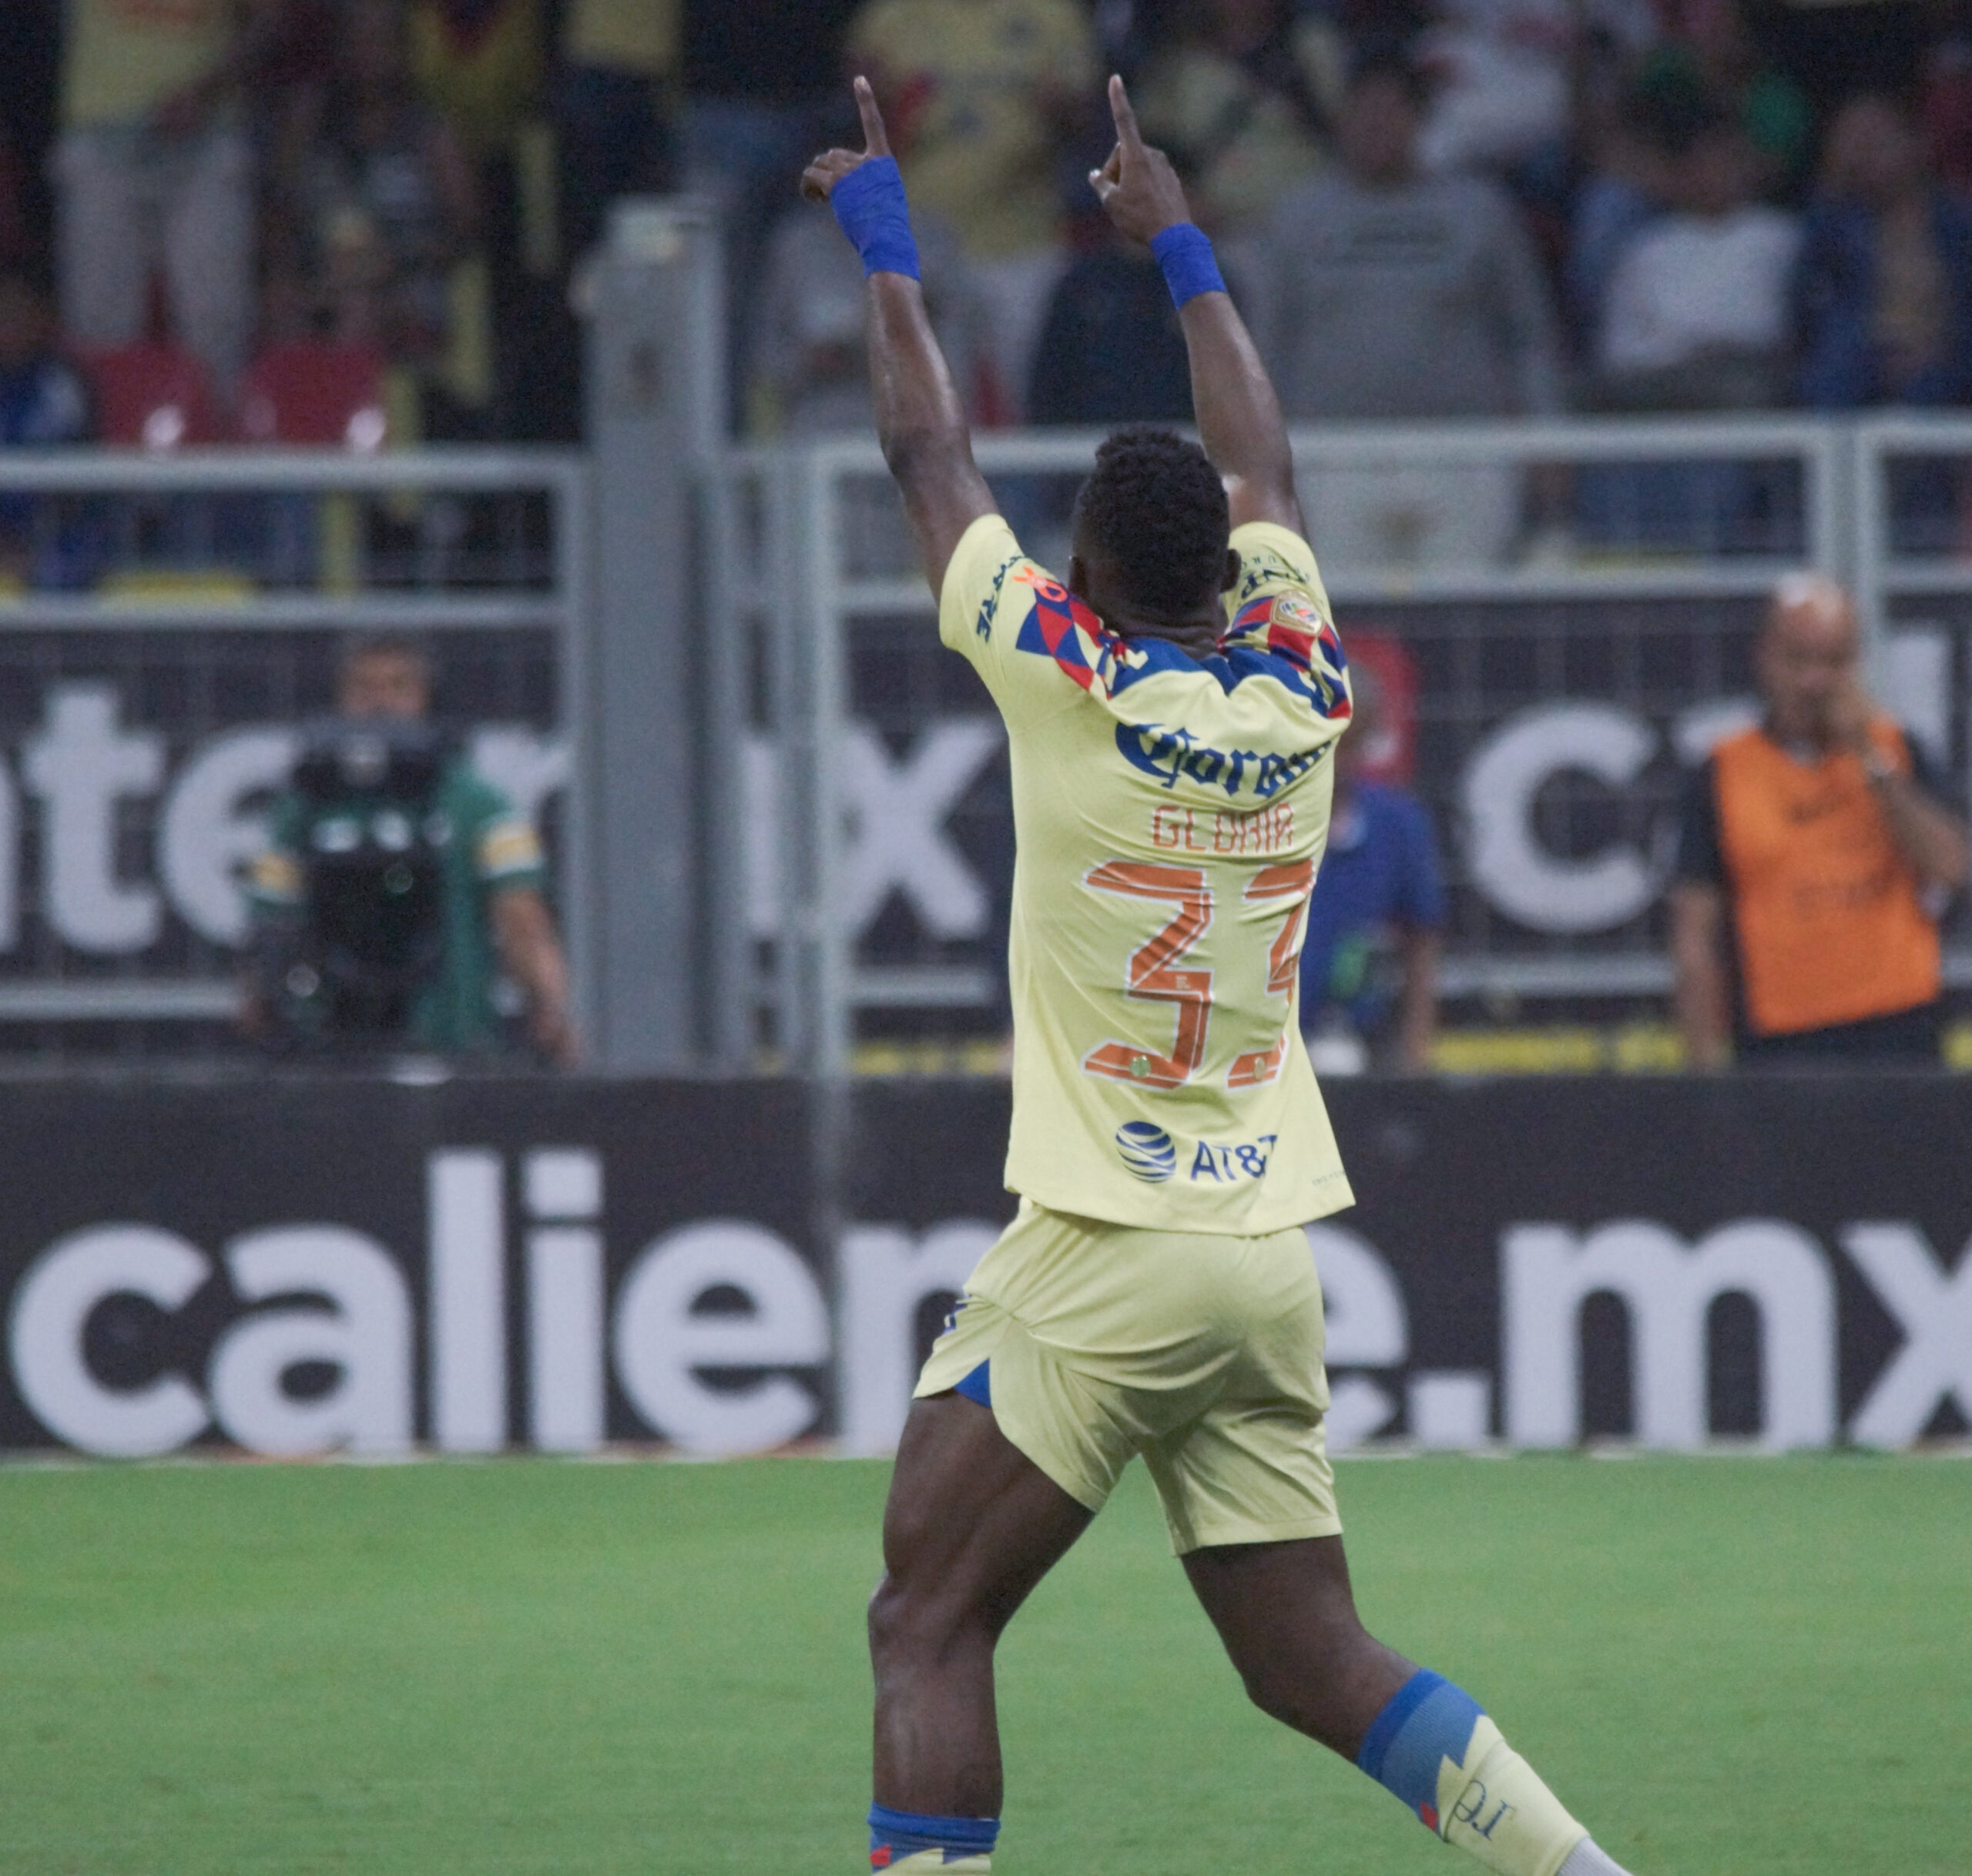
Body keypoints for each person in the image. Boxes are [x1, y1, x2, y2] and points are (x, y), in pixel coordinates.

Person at [802, 72, 1637, 1876]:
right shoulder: (1305, 682)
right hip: (1261, 1253)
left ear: (1084, 569)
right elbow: (1264, 467)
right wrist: (1178, 241)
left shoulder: (1061, 668)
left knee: (922, 1621)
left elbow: (927, 460)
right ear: (1229, 574)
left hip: (1109, 1239)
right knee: (1306, 1659)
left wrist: (883, 241)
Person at [1257, 46, 1563, 568]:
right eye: (1362, 108)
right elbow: (1266, 345)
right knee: (1340, 608)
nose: (1375, 124)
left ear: (1420, 117)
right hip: (1331, 459)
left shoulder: (1480, 214)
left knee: (1465, 602)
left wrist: (1549, 442)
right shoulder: (1295, 219)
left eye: (1391, 108)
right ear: (1341, 119)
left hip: (1465, 455)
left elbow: (1528, 338)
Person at [1671, 574, 1970, 1070]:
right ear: (1765, 657)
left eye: (1834, 661)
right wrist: (1701, 1067)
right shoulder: (1724, 771)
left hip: (1898, 1027)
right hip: (1780, 1037)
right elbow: (1694, 930)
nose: (1815, 681)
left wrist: (1870, 759)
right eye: (1798, 660)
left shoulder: (1897, 750)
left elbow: (1951, 866)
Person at [244, 635, 579, 1065]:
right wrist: (260, 995)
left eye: (399, 686)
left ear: (427, 697)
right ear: (341, 698)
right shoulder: (304, 808)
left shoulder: (475, 804)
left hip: (448, 1037)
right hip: (327, 1044)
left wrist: (547, 1004)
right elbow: (269, 921)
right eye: (364, 687)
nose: (381, 702)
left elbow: (520, 913)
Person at [847, 0, 1099, 417]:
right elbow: (852, 121)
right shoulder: (893, 15)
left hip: (1023, 237)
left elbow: (1087, 121)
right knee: (931, 395)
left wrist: (1062, 107)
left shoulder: (1052, 13)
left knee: (1029, 393)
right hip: (922, 240)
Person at [54, 0, 294, 392]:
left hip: (208, 132)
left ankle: (214, 426)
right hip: (101, 130)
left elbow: (269, 19)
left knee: (216, 319)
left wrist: (207, 89)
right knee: (98, 322)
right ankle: (105, 427)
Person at [1297, 663, 1444, 1073]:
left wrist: (1415, 1052)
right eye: (1325, 744)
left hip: (1355, 1041)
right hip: (1261, 1040)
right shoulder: (1259, 824)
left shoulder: (1397, 824)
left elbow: (1421, 942)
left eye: (1350, 744)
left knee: (1339, 1064)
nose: (1336, 761)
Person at [1796, 92, 1972, 411]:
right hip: (1856, 362)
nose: (1864, 156)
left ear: (1914, 144)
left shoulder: (1956, 224)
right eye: (1853, 145)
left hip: (1943, 358)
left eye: (1875, 142)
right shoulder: (1832, 226)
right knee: (1834, 369)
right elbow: (1807, 304)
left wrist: (1935, 351)